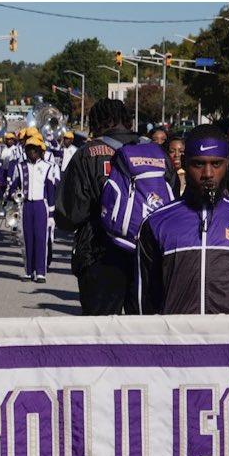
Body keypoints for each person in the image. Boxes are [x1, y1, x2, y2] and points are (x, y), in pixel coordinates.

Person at [137, 125, 229, 314]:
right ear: (184, 163)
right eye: (198, 164)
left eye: (216, 164)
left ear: (227, 163)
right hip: (177, 333)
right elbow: (147, 299)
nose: (208, 173)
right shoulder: (156, 222)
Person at [56, 98, 146, 315]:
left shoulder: (87, 154)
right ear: (128, 121)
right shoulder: (154, 152)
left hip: (100, 253)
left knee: (101, 330)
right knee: (144, 328)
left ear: (96, 123)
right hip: (145, 255)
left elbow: (70, 215)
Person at [14, 132, 58, 283]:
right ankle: (28, 270)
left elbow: (51, 191)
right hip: (25, 205)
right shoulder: (20, 167)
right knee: (26, 238)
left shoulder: (48, 167)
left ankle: (40, 272)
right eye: (29, 149)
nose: (31, 152)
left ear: (40, 151)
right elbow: (14, 186)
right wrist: (14, 196)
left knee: (40, 238)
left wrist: (51, 215)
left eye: (34, 149)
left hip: (41, 205)